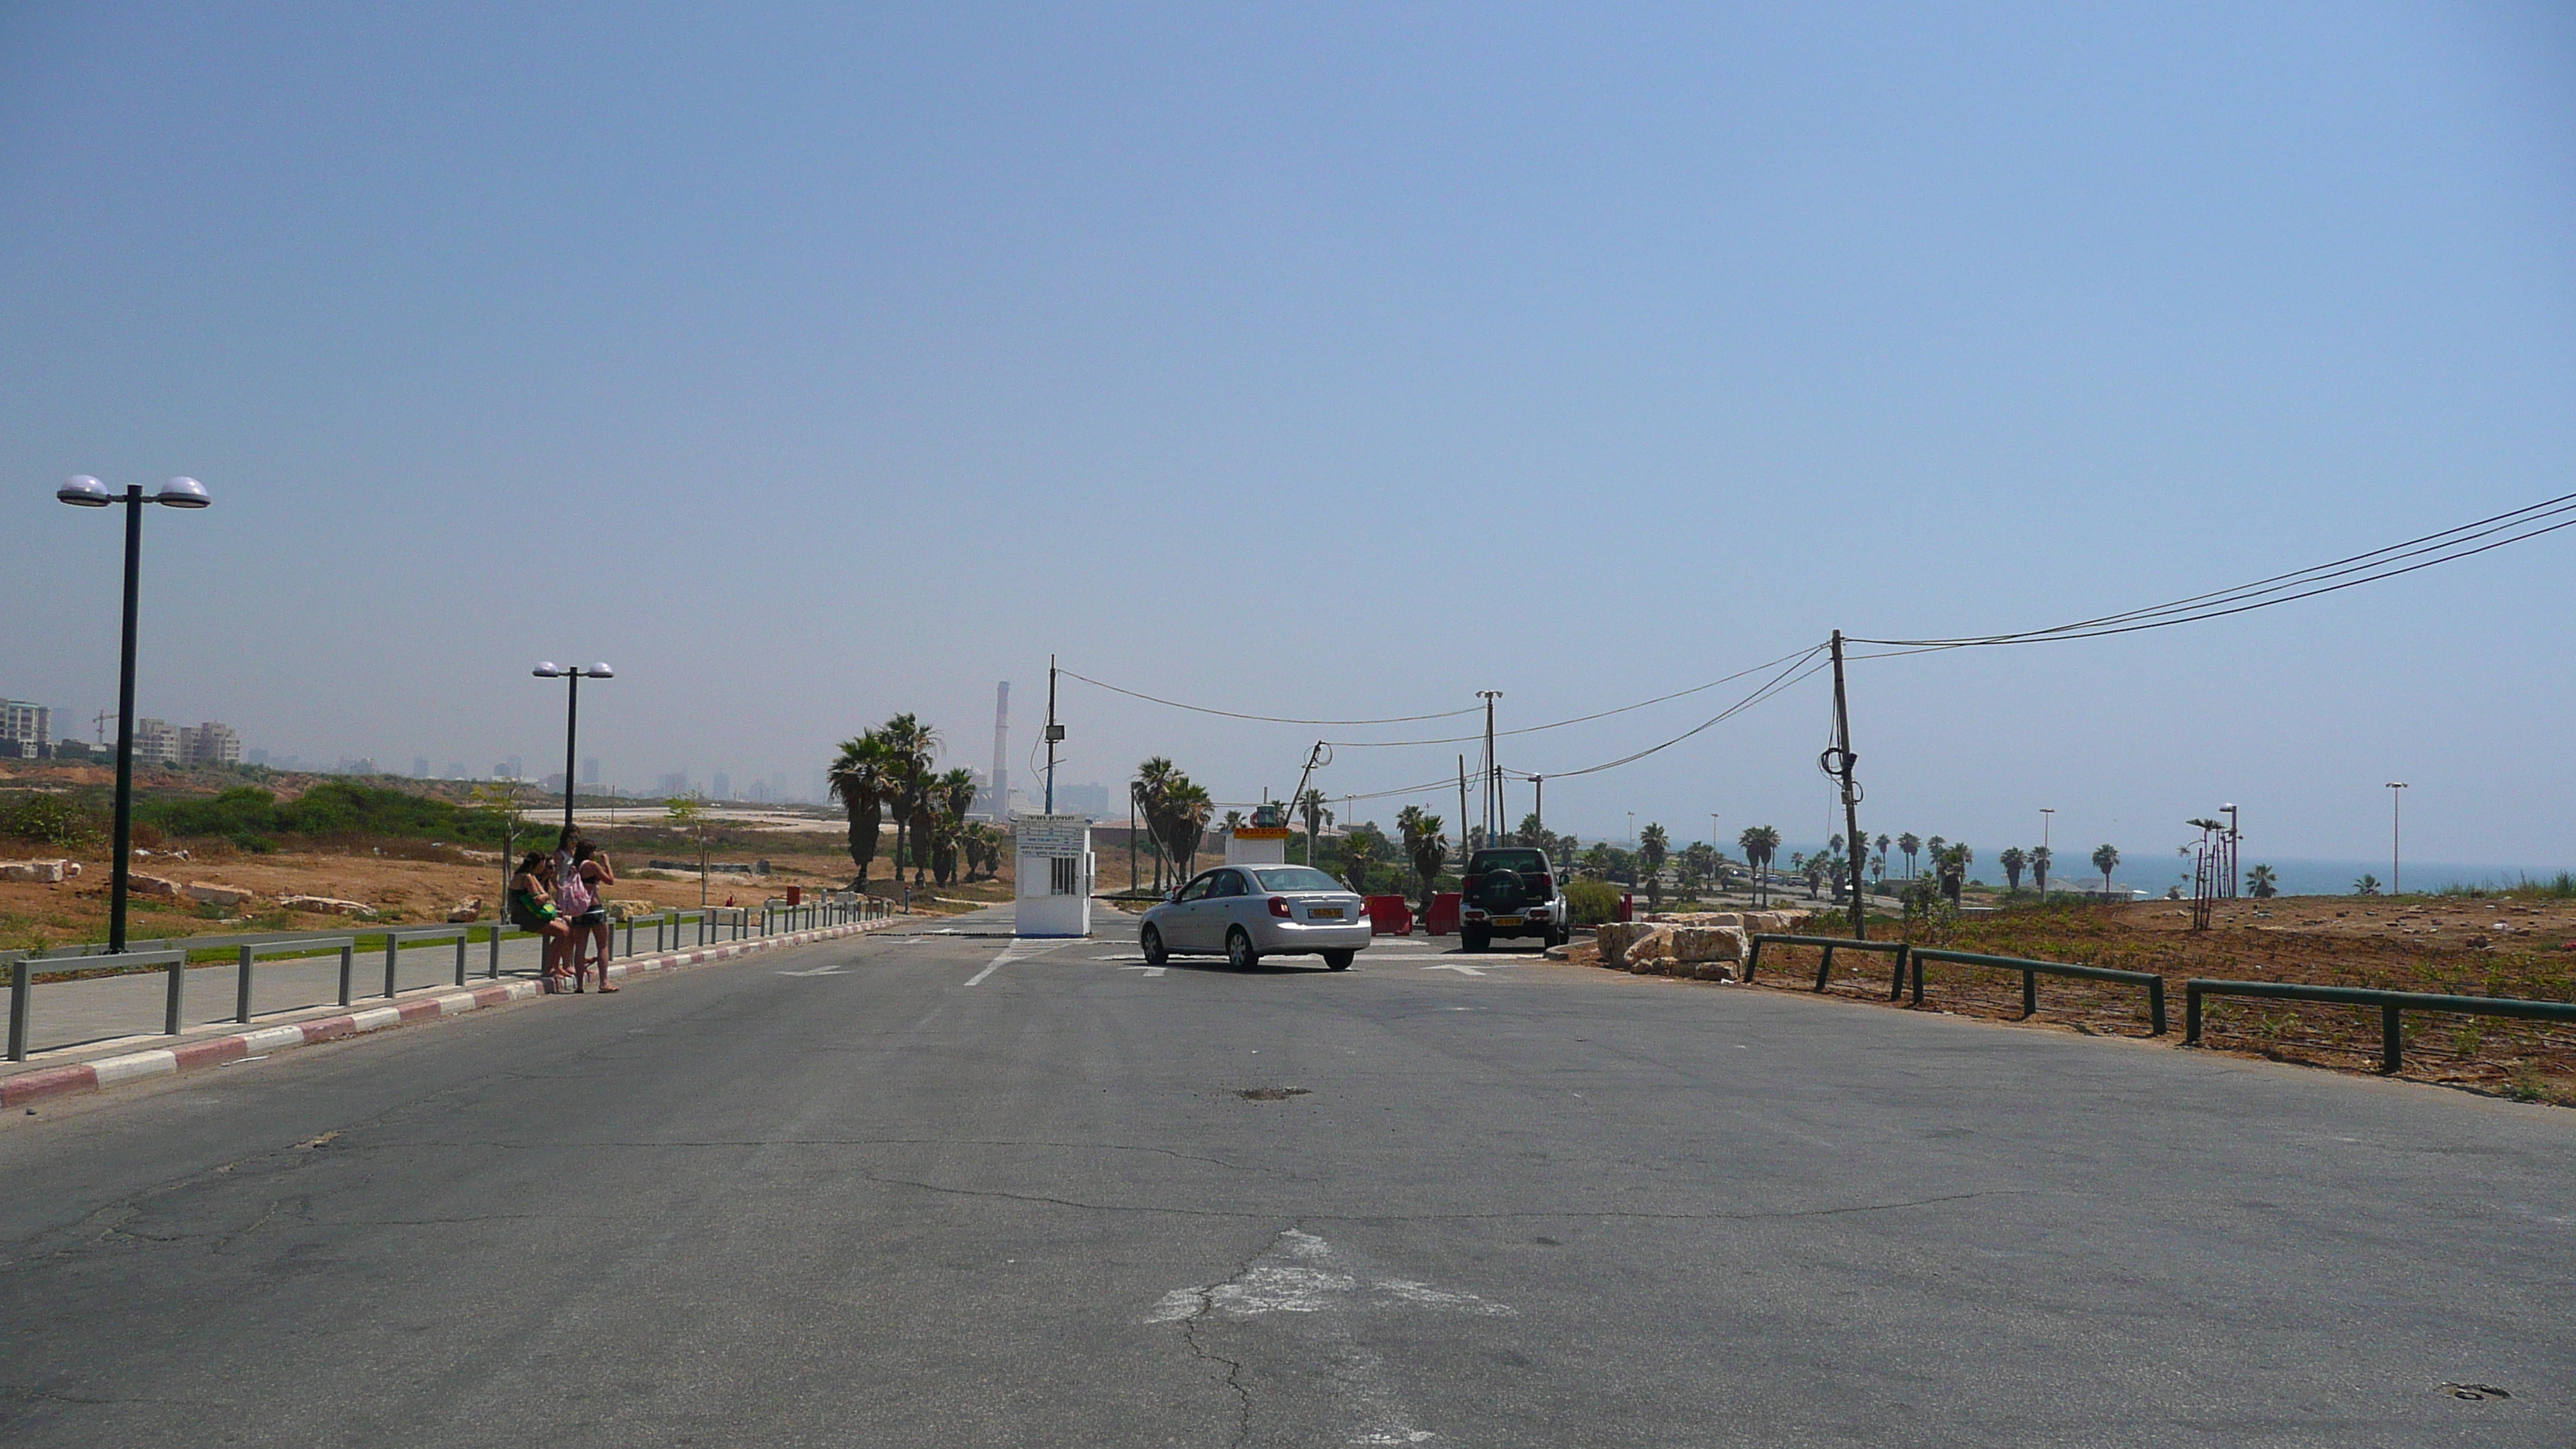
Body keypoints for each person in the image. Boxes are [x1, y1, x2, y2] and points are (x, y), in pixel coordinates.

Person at [509, 851, 576, 988]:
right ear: (539, 863)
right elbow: (540, 899)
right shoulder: (525, 877)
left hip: (532, 914)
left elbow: (544, 896)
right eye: (544, 863)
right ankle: (549, 968)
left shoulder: (531, 876)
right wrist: (544, 896)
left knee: (567, 927)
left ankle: (557, 966)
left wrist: (544, 896)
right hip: (524, 916)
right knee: (562, 932)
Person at [571, 838, 618, 992]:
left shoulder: (574, 865)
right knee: (602, 946)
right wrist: (607, 864)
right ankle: (604, 982)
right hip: (594, 907)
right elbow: (610, 880)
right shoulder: (592, 865)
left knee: (580, 948)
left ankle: (579, 985)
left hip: (579, 909)